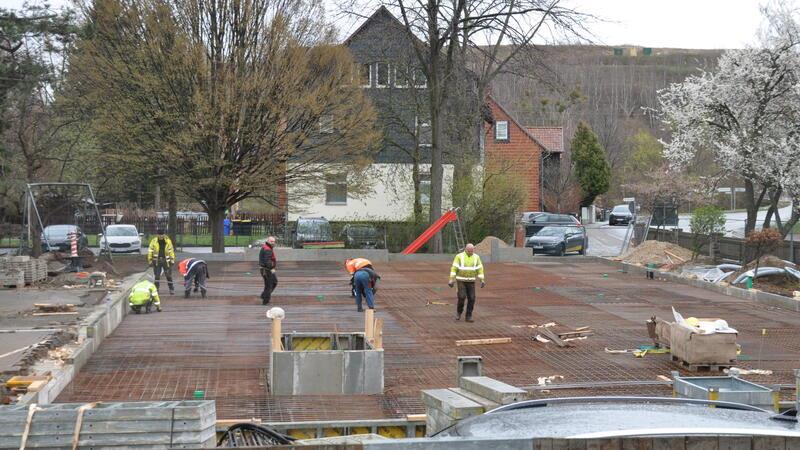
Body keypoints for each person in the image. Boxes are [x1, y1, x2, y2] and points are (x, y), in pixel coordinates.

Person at [448, 243, 485, 323]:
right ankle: (459, 312)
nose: (470, 252)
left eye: (472, 251)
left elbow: (480, 269)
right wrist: (451, 279)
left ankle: (469, 316)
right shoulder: (459, 256)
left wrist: (482, 280)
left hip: (471, 281)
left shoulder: (476, 257)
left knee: (472, 298)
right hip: (461, 280)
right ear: (465, 249)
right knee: (461, 297)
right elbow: (454, 268)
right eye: (469, 251)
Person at [147, 228, 175, 294]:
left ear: (164, 234)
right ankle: (156, 289)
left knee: (168, 275)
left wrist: (172, 260)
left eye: (162, 234)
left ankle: (171, 289)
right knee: (157, 276)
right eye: (159, 235)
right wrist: (150, 260)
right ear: (157, 235)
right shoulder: (153, 241)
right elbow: (150, 251)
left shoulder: (168, 241)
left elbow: (171, 251)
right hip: (157, 261)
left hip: (166, 261)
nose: (161, 236)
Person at [259, 236, 278, 305]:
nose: (273, 243)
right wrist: (272, 268)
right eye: (271, 241)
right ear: (268, 241)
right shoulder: (267, 249)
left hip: (265, 269)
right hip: (267, 270)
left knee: (273, 282)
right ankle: (265, 301)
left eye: (274, 241)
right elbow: (267, 261)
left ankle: (264, 295)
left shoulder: (266, 247)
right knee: (269, 285)